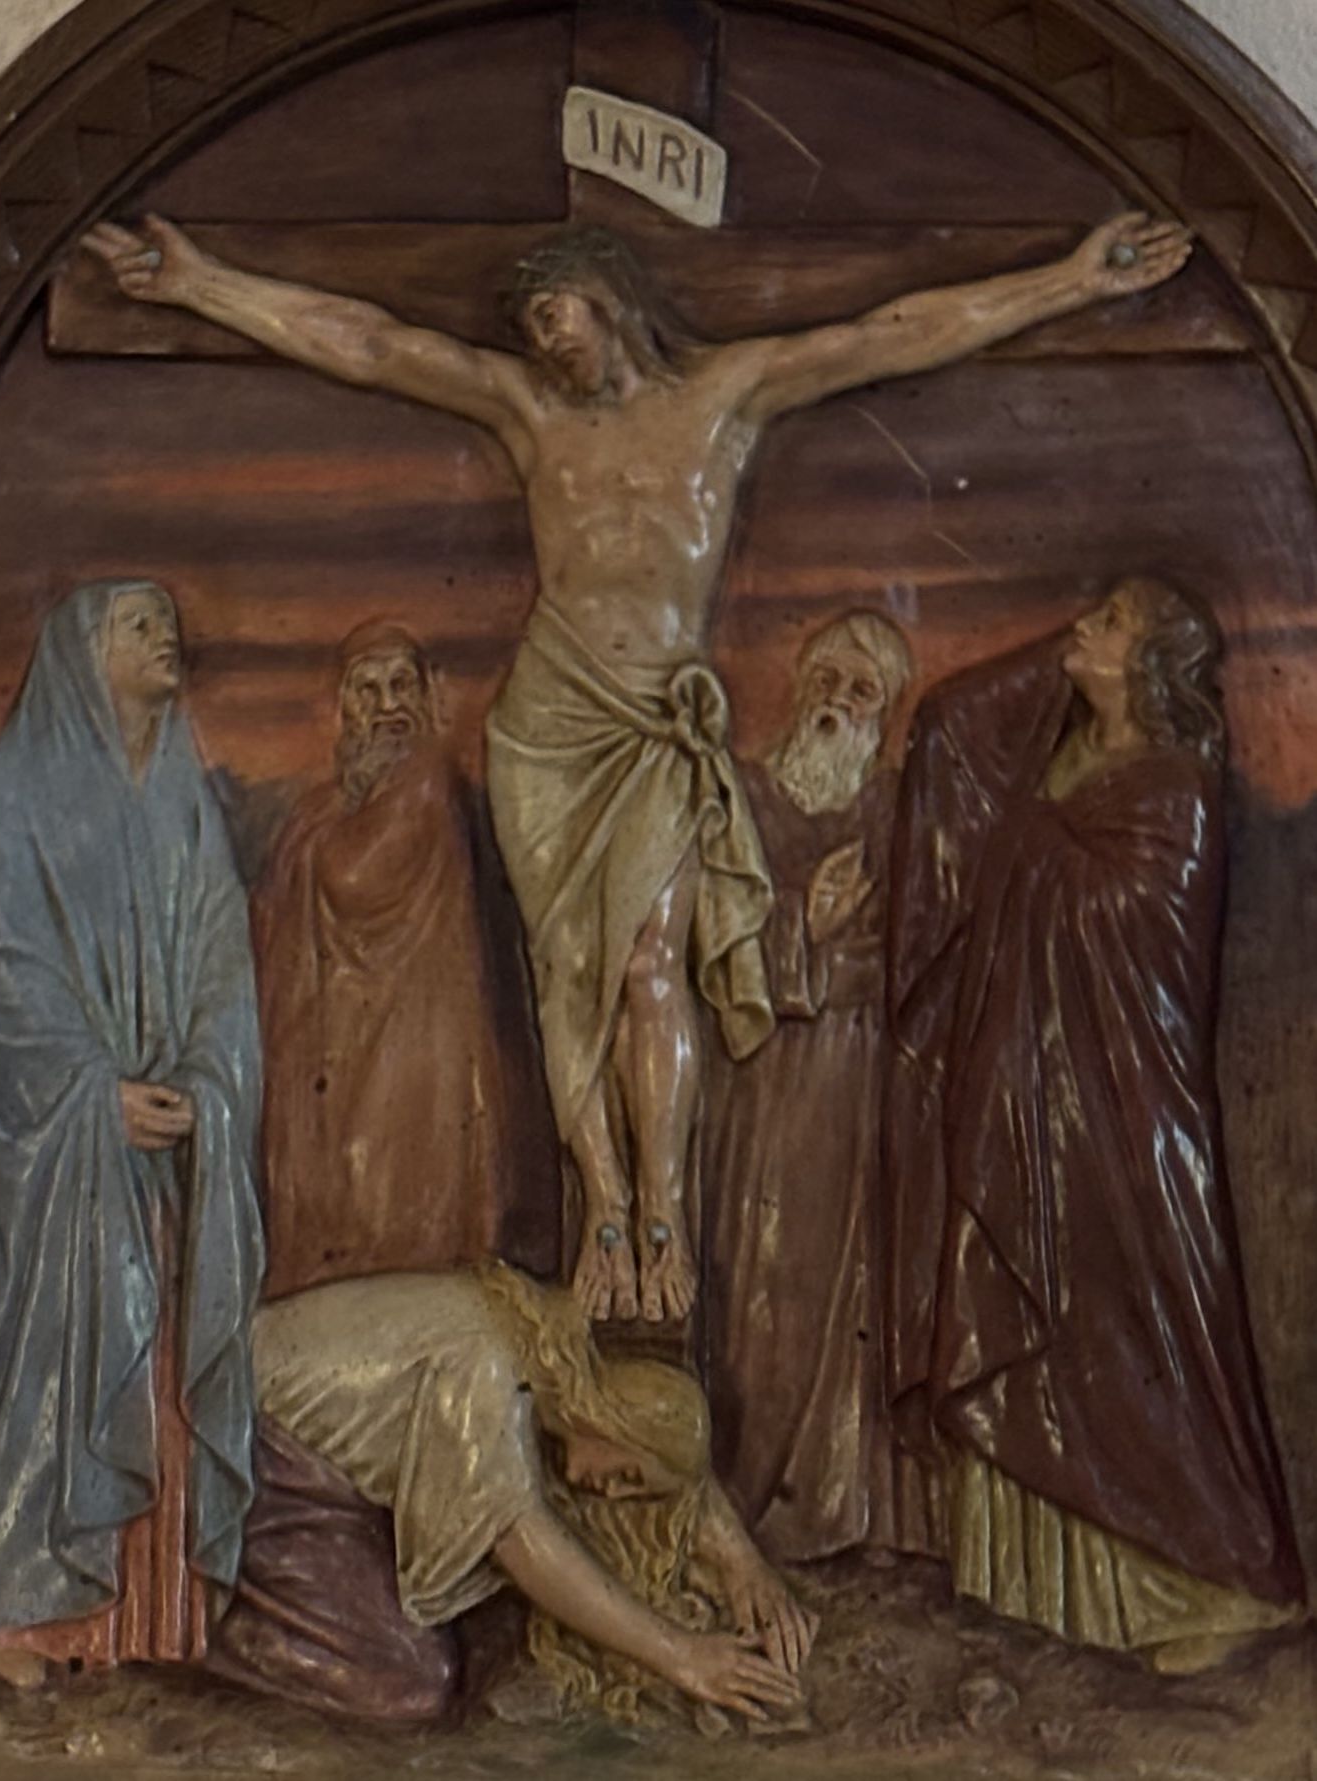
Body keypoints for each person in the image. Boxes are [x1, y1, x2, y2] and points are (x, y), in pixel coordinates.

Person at [81, 207, 1193, 1323]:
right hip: (550, 725)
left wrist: (1069, 280)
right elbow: (373, 344)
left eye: (554, 314)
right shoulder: (529, 413)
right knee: (569, 973)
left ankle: (662, 1205)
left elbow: (889, 334)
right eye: (529, 324)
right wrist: (200, 284)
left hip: (657, 716)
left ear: (606, 298)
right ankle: (603, 1208)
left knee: (653, 960)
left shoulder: (724, 397)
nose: (544, 339)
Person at [885, 576, 1305, 1672]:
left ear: (1154, 661)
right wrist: (1054, 676)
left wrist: (1027, 846)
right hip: (1033, 1091)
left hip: (1129, 1106)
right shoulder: (1061, 756)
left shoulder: (1174, 787)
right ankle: (1072, 1592)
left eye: (1110, 620)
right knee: (1056, 1314)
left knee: (1146, 1318)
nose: (1081, 626)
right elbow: (951, 723)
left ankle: (1216, 1576)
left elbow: (1135, 924)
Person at [0, 581, 265, 1686]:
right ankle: (15, 1612)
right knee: (46, 1357)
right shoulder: (11, 789)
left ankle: (142, 1617)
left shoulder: (183, 800)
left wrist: (205, 1079)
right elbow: (0, 973)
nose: (166, 636)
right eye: (136, 623)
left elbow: (222, 959)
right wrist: (94, 1094)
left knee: (151, 1354)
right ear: (79, 653)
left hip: (160, 1146)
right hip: (50, 1149)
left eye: (168, 620)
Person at [228, 1262, 816, 1722]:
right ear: (614, 1422)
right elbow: (524, 1539)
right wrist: (682, 1656)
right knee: (412, 1681)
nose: (613, 1493)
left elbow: (667, 1445)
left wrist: (741, 1562)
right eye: (628, 1477)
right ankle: (215, 1619)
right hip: (245, 1448)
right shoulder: (491, 1374)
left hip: (309, 1460)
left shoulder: (550, 1343)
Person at [702, 610, 936, 1562]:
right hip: (757, 1081)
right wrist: (805, 924)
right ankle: (751, 1496)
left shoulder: (894, 808)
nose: (839, 701)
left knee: (852, 1290)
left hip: (856, 1079)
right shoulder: (746, 797)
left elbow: (917, 950)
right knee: (758, 1283)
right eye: (829, 678)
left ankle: (851, 1511)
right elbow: (707, 937)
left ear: (886, 711)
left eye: (862, 689)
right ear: (800, 684)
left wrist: (835, 955)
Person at [252, 619, 517, 1296]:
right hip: (333, 1042)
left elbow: (356, 875)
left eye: (402, 685)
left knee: (397, 1206)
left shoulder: (424, 783)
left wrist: (313, 841)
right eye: (368, 690)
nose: (388, 706)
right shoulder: (333, 805)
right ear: (342, 706)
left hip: (410, 1044)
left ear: (429, 695)